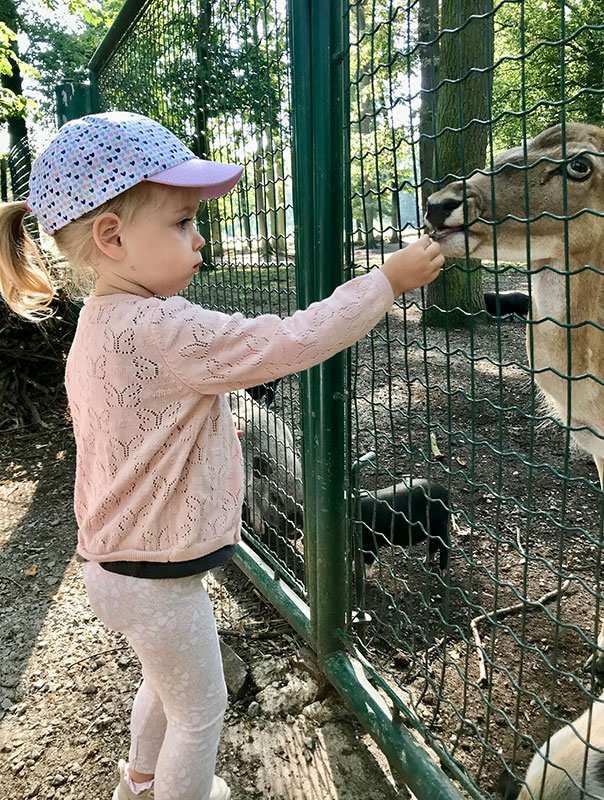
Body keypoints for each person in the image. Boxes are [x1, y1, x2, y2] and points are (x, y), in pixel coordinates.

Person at [0, 111, 444, 800]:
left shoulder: (98, 323)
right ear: (112, 238)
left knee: (164, 684)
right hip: (157, 577)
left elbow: (134, 425)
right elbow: (294, 340)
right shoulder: (165, 325)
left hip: (114, 565)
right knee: (200, 713)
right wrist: (385, 282)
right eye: (181, 222)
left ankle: (139, 786)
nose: (199, 237)